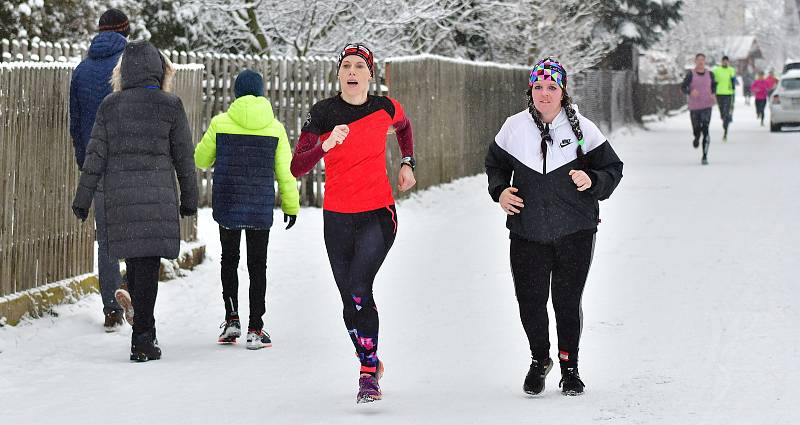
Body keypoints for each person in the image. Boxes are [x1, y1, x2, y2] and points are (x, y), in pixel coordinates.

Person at [484, 58, 623, 397]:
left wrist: (592, 179)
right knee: (529, 301)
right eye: (538, 87)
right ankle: (539, 359)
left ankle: (569, 367)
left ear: (563, 92)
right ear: (530, 91)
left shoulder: (583, 130)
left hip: (575, 230)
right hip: (527, 232)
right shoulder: (514, 128)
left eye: (552, 88)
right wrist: (500, 191)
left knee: (566, 300)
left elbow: (613, 170)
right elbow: (495, 166)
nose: (544, 94)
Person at [290, 43, 416, 404]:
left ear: (369, 74)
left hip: (378, 213)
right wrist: (326, 143)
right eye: (346, 65)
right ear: (339, 73)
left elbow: (405, 128)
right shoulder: (322, 113)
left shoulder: (385, 107)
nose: (352, 71)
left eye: (360, 66)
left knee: (360, 286)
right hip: (337, 217)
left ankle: (366, 375)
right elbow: (297, 166)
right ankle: (371, 361)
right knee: (349, 301)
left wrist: (407, 162)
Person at [72, 40, 198, 362]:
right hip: (157, 199)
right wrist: (189, 200)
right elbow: (184, 157)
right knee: (148, 269)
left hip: (122, 201)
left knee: (135, 266)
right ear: (158, 69)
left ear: (124, 71)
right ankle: (144, 334)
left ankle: (144, 334)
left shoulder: (110, 106)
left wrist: (83, 199)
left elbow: (95, 156)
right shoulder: (170, 105)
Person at [194, 69, 300, 350]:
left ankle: (231, 319)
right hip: (258, 206)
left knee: (229, 260)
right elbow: (286, 173)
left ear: (236, 93)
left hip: (228, 203)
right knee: (257, 266)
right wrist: (291, 204)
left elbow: (201, 159)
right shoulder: (275, 128)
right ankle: (256, 327)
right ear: (263, 92)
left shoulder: (220, 123)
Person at [68, 8, 130, 331]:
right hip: (130, 163)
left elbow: (76, 126)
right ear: (124, 32)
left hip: (98, 165)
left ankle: (111, 308)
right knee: (134, 230)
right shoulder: (129, 67)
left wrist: (85, 164)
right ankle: (132, 289)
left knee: (105, 238)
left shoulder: (81, 71)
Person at [681, 53, 717, 165]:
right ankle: (696, 137)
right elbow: (683, 87)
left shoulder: (710, 74)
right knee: (697, 129)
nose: (701, 62)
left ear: (705, 61)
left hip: (707, 105)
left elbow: (713, 86)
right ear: (695, 61)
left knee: (706, 129)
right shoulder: (690, 74)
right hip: (694, 107)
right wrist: (690, 92)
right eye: (699, 60)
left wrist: (713, 94)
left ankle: (705, 156)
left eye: (703, 60)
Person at [712, 56, 737, 141]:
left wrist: (733, 88)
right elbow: (713, 81)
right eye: (724, 61)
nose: (725, 62)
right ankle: (725, 121)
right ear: (721, 62)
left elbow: (734, 80)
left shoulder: (731, 70)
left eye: (726, 61)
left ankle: (725, 132)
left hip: (728, 94)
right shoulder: (717, 70)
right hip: (719, 93)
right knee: (722, 113)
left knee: (726, 112)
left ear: (728, 62)